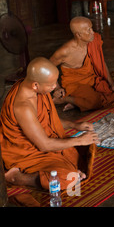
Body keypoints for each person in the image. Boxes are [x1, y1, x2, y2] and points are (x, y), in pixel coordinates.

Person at [0, 57, 98, 191]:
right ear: (35, 85)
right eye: (51, 84)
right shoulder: (23, 107)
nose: (54, 87)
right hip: (25, 153)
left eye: (55, 82)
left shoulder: (36, 88)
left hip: (40, 142)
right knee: (64, 178)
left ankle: (63, 170)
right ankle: (17, 177)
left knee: (78, 155)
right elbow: (44, 145)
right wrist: (79, 140)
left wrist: (74, 125)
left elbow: (49, 121)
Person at [50, 16, 114, 112]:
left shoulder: (93, 41)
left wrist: (112, 84)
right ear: (78, 35)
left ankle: (78, 103)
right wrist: (57, 88)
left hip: (92, 79)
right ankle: (63, 99)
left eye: (92, 28)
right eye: (88, 30)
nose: (92, 32)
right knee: (94, 102)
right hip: (75, 85)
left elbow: (101, 63)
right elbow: (47, 67)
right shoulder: (65, 51)